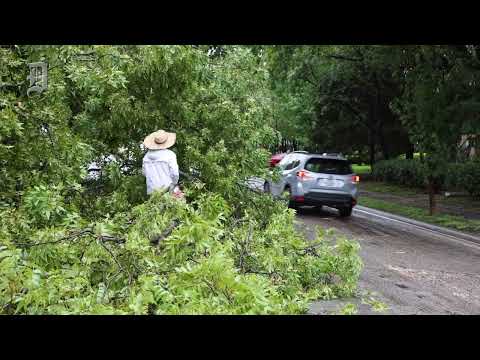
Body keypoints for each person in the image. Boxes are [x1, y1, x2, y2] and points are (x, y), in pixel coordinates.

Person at [142, 129, 184, 198]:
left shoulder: (146, 157)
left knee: (156, 207)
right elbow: (175, 174)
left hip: (152, 191)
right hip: (167, 189)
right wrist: (173, 185)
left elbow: (144, 173)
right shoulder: (170, 154)